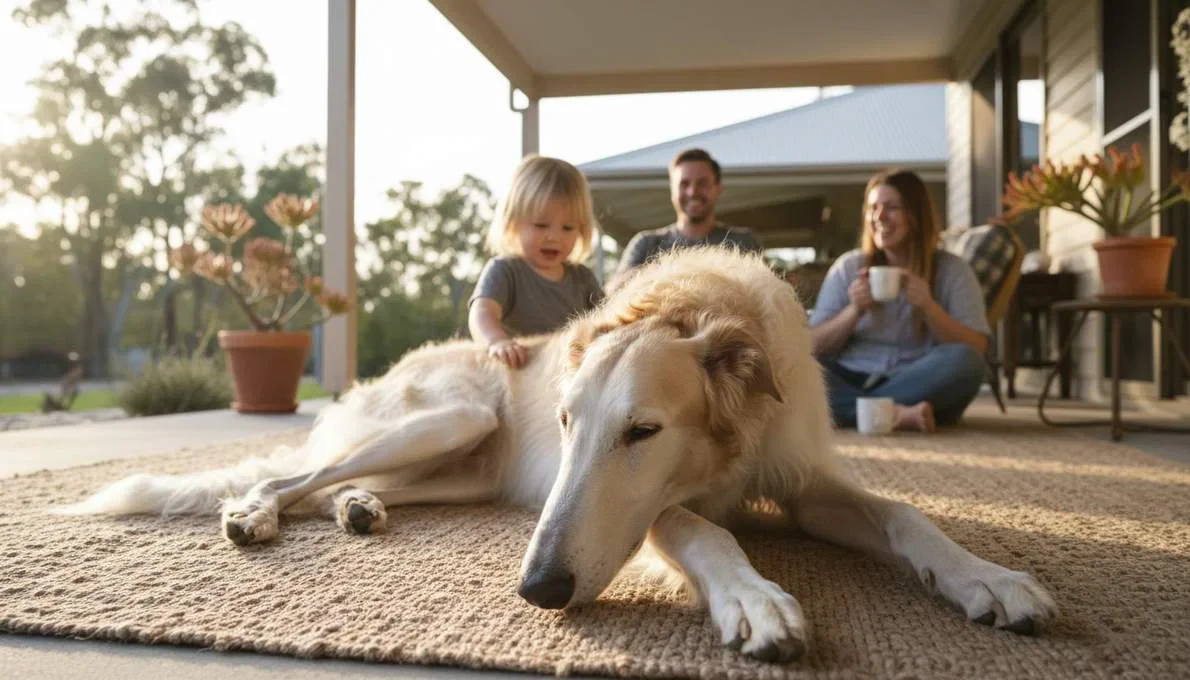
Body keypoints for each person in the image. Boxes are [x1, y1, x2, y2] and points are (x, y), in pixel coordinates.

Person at [809, 169, 989, 432]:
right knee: (798, 368)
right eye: (873, 208)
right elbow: (811, 345)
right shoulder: (849, 267)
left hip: (917, 379)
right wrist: (854, 311)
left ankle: (856, 411)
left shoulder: (953, 270)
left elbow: (977, 346)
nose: (879, 217)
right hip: (852, 375)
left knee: (966, 362)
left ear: (917, 216)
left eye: (892, 207)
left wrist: (929, 307)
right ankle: (897, 414)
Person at [468, 155, 604, 368]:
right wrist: (497, 341)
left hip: (568, 377)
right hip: (520, 377)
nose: (554, 237)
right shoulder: (506, 270)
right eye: (541, 225)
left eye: (567, 228)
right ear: (513, 222)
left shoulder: (582, 278)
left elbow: (604, 323)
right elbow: (482, 313)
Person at [609, 148, 762, 289]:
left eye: (702, 183)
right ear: (672, 191)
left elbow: (765, 293)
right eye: (684, 184)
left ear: (718, 189)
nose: (692, 191)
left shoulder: (743, 242)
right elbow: (613, 293)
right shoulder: (646, 243)